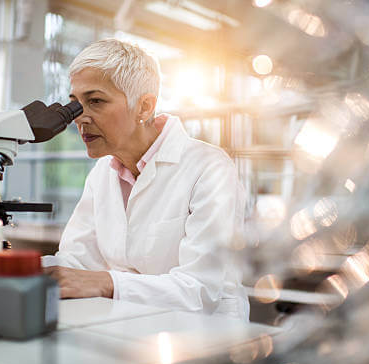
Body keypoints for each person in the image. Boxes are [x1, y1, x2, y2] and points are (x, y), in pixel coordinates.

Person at [42, 39, 249, 320]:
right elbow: (77, 262)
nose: (80, 118)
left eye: (95, 101)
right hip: (132, 328)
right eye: (75, 104)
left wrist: (107, 282)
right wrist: (20, 267)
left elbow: (200, 290)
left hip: (209, 337)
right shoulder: (103, 172)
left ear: (144, 106)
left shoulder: (209, 167)